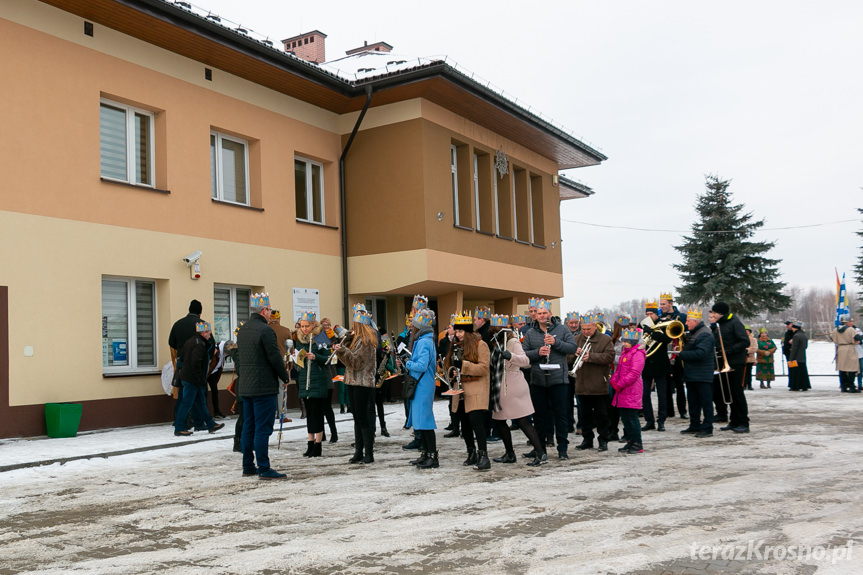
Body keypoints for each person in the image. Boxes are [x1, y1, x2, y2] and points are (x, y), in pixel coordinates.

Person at [237, 293, 292, 480]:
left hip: (246, 385)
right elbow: (274, 356)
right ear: (263, 310)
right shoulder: (266, 330)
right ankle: (264, 467)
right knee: (263, 428)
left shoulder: (243, 329)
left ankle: (247, 465)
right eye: (269, 310)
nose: (270, 314)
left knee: (249, 426)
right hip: (263, 386)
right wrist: (284, 376)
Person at [488, 315, 548, 467]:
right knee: (499, 420)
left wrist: (510, 356)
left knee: (522, 421)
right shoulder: (495, 343)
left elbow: (526, 361)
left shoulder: (512, 342)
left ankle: (540, 453)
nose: (495, 332)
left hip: (513, 384)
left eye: (498, 330)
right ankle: (509, 453)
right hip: (499, 385)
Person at [523, 299, 578, 459]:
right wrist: (537, 353)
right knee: (539, 416)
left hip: (558, 380)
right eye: (539, 313)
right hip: (538, 380)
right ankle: (540, 449)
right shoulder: (531, 333)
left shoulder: (562, 329)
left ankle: (562, 449)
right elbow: (524, 354)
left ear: (550, 314)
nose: (541, 316)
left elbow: (572, 348)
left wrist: (556, 342)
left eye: (544, 313)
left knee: (560, 415)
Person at [444, 311, 492, 470]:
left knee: (476, 424)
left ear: (468, 331)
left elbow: (484, 368)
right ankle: (471, 453)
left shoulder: (481, 344)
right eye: (456, 331)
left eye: (460, 331)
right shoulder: (456, 346)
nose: (457, 335)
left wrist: (463, 366)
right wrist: (451, 370)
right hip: (461, 391)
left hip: (476, 390)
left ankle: (483, 456)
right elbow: (452, 366)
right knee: (464, 425)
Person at [334, 308, 378, 464]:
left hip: (362, 383)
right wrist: (345, 340)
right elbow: (348, 360)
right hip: (352, 381)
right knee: (357, 418)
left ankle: (369, 453)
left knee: (363, 418)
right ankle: (359, 451)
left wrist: (343, 350)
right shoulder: (357, 339)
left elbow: (356, 363)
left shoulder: (366, 341)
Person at [571, 313, 615, 454]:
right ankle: (587, 440)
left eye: (588, 329)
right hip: (581, 384)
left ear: (595, 327)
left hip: (598, 384)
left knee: (602, 415)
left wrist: (591, 357)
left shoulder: (605, 339)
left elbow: (609, 357)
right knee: (585, 416)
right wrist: (573, 354)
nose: (586, 332)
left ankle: (603, 440)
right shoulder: (576, 339)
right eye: (583, 329)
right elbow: (566, 357)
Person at [174, 321, 225, 437]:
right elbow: (196, 363)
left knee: (201, 403)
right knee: (187, 403)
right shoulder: (199, 344)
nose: (210, 334)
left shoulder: (192, 341)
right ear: (203, 332)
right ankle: (179, 427)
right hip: (193, 379)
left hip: (191, 378)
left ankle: (211, 424)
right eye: (208, 332)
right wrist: (199, 378)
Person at [404, 309, 440, 469]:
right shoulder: (425, 340)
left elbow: (421, 365)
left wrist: (408, 363)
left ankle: (432, 455)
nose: (412, 327)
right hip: (422, 383)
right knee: (420, 420)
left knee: (425, 420)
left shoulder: (424, 341)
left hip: (423, 384)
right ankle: (425, 453)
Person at [293, 312, 332, 457]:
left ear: (313, 325)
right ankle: (310, 443)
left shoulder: (320, 337)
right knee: (309, 413)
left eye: (307, 326)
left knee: (317, 413)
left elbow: (329, 358)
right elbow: (297, 360)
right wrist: (296, 359)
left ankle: (318, 444)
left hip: (318, 379)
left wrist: (316, 357)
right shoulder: (299, 339)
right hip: (305, 380)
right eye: (302, 326)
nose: (304, 329)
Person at [708, 302, 750, 434]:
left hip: (735, 362)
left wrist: (728, 351)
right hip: (724, 362)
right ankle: (734, 421)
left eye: (714, 313)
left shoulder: (734, 322)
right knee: (729, 393)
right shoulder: (720, 324)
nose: (713, 315)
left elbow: (745, 341)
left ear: (720, 313)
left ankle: (743, 422)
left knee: (737, 393)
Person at [168, 299, 207, 431]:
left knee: (183, 391)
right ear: (200, 312)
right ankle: (198, 422)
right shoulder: (201, 324)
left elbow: (171, 342)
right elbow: (209, 342)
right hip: (197, 362)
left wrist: (181, 350)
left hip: (181, 361)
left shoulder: (178, 324)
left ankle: (180, 421)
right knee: (198, 391)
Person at [678, 309, 716, 437]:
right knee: (693, 402)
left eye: (688, 321)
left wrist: (682, 354)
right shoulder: (695, 333)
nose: (686, 323)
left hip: (702, 375)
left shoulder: (704, 334)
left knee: (705, 402)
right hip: (693, 374)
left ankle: (707, 427)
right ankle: (694, 425)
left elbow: (701, 353)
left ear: (695, 321)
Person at [611, 328, 646, 454]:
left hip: (631, 390)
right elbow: (619, 370)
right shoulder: (626, 352)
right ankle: (630, 441)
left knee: (632, 418)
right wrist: (614, 380)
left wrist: (620, 384)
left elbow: (634, 373)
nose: (624, 344)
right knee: (625, 418)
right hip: (623, 390)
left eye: (626, 341)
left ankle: (637, 443)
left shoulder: (637, 353)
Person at [640, 302, 671, 432]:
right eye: (647, 314)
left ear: (656, 314)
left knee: (662, 394)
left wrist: (652, 332)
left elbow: (667, 339)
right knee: (644, 394)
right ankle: (649, 421)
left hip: (661, 364)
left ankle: (661, 421)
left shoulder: (663, 325)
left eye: (651, 313)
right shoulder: (642, 325)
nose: (648, 316)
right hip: (646, 364)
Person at [659, 292, 687, 418]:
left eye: (664, 304)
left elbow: (686, 333)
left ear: (671, 303)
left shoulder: (681, 316)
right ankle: (669, 411)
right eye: (660, 304)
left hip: (678, 354)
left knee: (679, 384)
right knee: (666, 385)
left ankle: (683, 410)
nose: (662, 306)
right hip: (665, 354)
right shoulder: (659, 317)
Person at [268, 309, 297, 422]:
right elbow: (291, 351)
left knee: (269, 391)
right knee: (282, 390)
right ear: (279, 319)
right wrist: (290, 367)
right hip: (283, 365)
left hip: (268, 366)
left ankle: (270, 415)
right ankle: (282, 415)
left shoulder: (265, 329)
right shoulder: (285, 331)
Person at [831, 314, 861, 393]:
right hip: (849, 349)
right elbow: (857, 338)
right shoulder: (850, 329)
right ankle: (851, 386)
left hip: (841, 349)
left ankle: (843, 386)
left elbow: (832, 338)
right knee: (852, 368)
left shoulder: (836, 330)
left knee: (842, 369)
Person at [787, 319, 811, 392]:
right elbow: (805, 346)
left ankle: (795, 386)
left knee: (795, 373)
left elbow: (794, 348)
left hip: (796, 357)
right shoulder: (804, 335)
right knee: (803, 372)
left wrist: (791, 358)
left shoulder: (796, 336)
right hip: (802, 357)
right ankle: (804, 385)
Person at [744, 326, 757, 391]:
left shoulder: (753, 339)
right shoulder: (741, 338)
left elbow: (755, 348)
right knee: (743, 373)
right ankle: (743, 385)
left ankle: (749, 385)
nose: (746, 332)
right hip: (743, 358)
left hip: (750, 358)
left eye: (747, 331)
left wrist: (747, 350)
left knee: (749, 372)